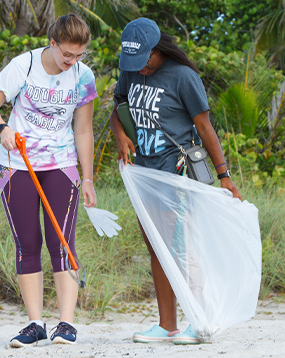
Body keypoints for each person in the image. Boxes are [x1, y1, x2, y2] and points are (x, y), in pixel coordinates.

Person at [110, 18, 242, 345]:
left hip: (176, 172)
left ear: (158, 49)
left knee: (182, 249)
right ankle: (167, 324)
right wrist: (121, 136)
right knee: (157, 247)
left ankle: (199, 321)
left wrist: (224, 175)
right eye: (133, 63)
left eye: (143, 61)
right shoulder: (130, 72)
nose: (139, 68)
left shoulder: (184, 77)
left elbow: (205, 128)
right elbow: (118, 108)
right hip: (144, 174)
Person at [0, 14, 97, 347]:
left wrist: (87, 178)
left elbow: (83, 129)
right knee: (27, 244)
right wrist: (2, 128)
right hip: (18, 164)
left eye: (79, 55)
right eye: (67, 55)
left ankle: (66, 324)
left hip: (61, 164)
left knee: (61, 243)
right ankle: (35, 324)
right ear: (53, 43)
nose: (72, 62)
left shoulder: (83, 77)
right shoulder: (24, 66)